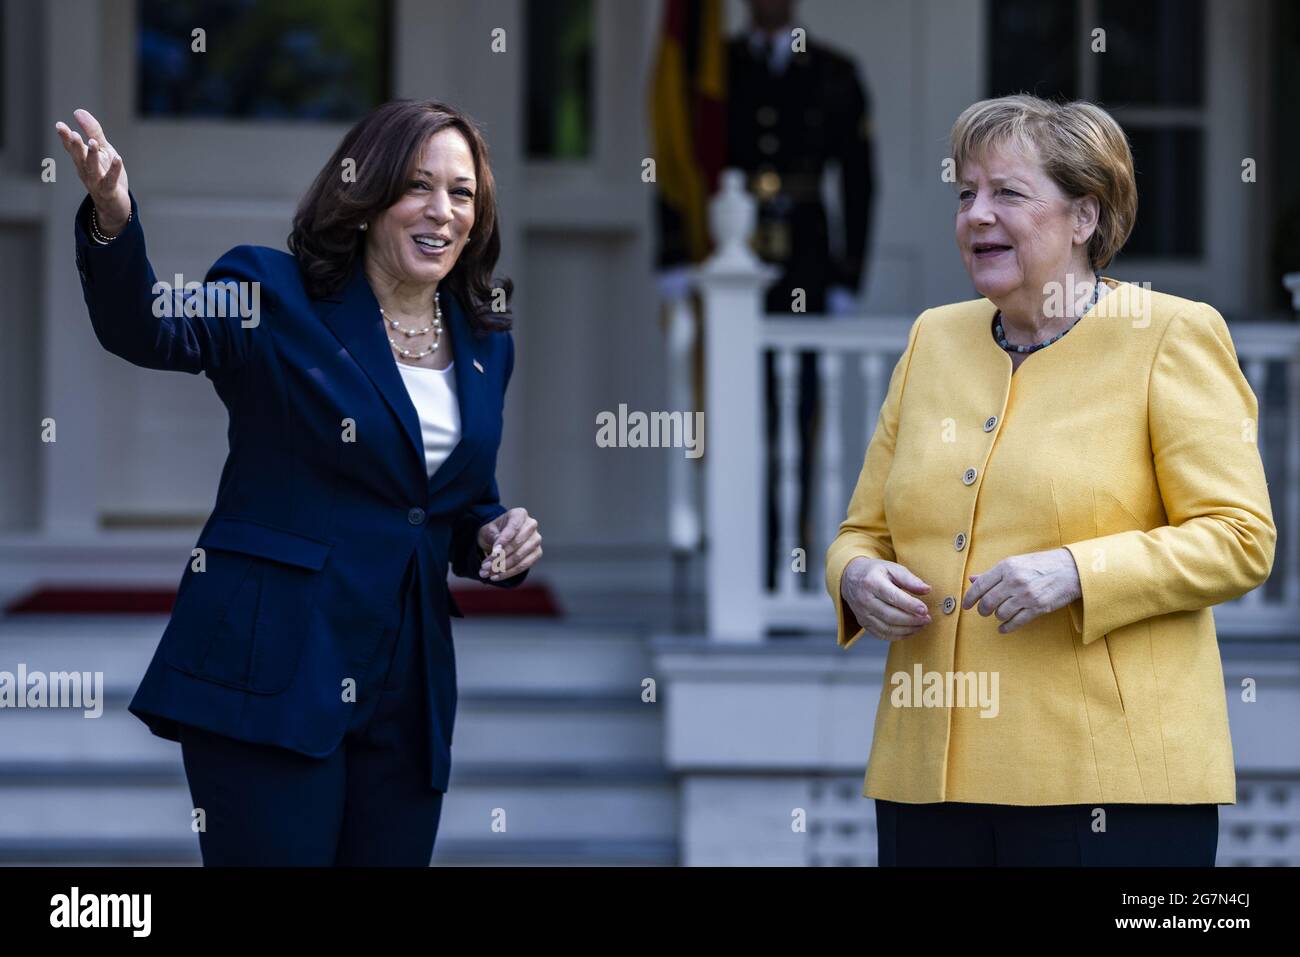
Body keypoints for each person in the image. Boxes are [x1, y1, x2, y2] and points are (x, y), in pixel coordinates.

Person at [58, 100, 543, 866]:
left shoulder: (486, 344)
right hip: (275, 666)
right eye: (417, 185)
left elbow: (448, 500)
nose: (440, 211)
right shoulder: (272, 293)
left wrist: (493, 534)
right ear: (366, 195)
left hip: (407, 692)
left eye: (462, 193)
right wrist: (113, 217)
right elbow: (149, 325)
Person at [825, 94, 1276, 866]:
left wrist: (1076, 570)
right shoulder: (933, 339)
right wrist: (855, 577)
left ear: (1084, 217)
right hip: (926, 780)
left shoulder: (1170, 334)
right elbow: (861, 531)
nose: (977, 214)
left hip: (1109, 784)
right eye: (966, 194)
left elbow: (1240, 539)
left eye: (1007, 193)